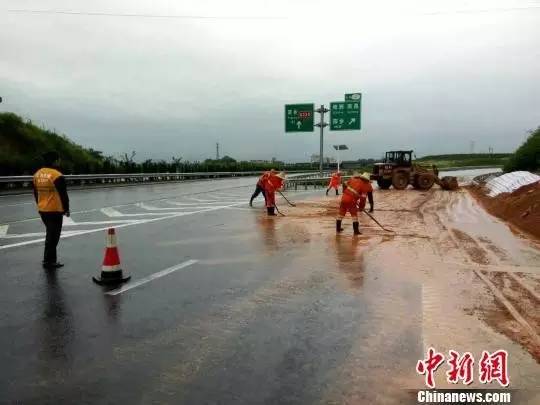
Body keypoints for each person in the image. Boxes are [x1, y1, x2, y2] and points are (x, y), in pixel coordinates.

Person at [33, 151, 70, 269]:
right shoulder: (56, 175)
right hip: (55, 209)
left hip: (43, 209)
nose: (59, 162)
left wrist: (39, 204)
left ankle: (49, 259)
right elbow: (63, 194)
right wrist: (66, 208)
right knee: (53, 236)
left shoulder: (37, 174)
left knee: (50, 234)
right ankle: (49, 261)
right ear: (54, 161)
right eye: (58, 159)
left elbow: (35, 193)